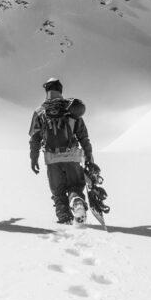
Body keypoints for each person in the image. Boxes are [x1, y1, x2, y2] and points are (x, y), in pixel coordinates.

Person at [29, 77, 94, 225]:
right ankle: (77, 202)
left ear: (47, 91)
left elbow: (34, 139)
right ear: (60, 90)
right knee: (75, 186)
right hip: (72, 156)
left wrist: (33, 159)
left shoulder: (40, 111)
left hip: (52, 158)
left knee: (58, 192)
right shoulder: (72, 109)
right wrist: (89, 155)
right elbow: (83, 136)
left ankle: (65, 222)